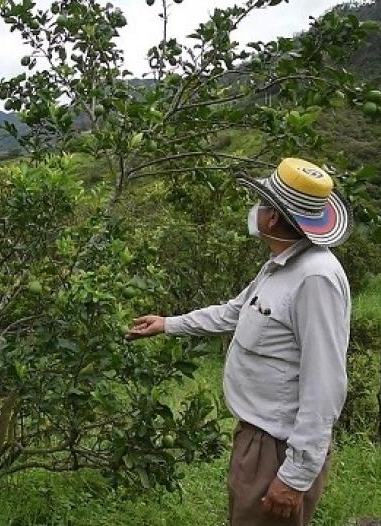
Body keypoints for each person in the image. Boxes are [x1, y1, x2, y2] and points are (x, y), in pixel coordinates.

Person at [126, 158, 352, 526]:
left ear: (273, 218)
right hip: (258, 441)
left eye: (261, 203)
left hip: (278, 447)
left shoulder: (315, 279)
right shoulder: (282, 265)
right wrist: (167, 324)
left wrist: (294, 477)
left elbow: (325, 383)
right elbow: (234, 311)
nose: (256, 210)